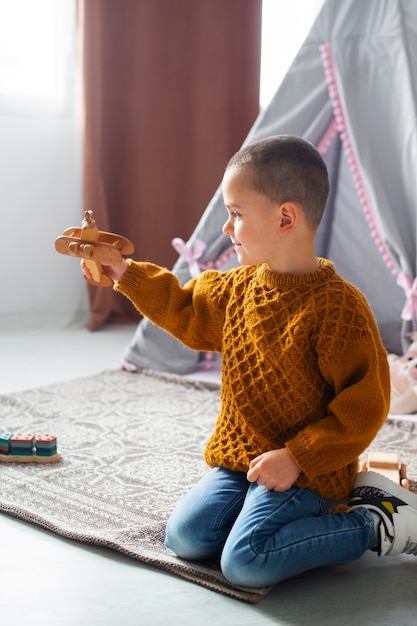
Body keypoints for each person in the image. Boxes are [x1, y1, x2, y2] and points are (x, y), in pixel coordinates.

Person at [82, 135, 417, 588]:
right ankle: (265, 517)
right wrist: (125, 271)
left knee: (245, 563)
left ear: (285, 218)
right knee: (185, 537)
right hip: (242, 460)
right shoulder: (237, 289)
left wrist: (298, 458)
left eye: (236, 214)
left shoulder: (340, 309)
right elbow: (183, 307)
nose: (226, 227)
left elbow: (366, 406)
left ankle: (372, 522)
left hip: (309, 472)